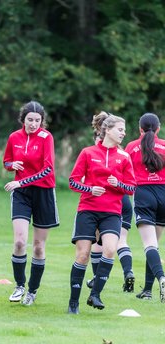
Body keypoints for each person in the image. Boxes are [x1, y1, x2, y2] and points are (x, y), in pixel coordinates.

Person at [68, 112, 136, 314]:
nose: (124, 133)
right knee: (83, 255)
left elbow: (131, 188)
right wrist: (89, 189)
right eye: (120, 130)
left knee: (109, 250)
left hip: (112, 212)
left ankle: (95, 294)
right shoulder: (87, 152)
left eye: (124, 130)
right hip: (88, 210)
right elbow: (73, 181)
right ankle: (73, 303)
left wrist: (119, 184)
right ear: (107, 130)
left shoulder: (124, 157)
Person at [3, 100, 59, 306]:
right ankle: (19, 285)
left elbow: (48, 170)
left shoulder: (47, 138)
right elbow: (6, 161)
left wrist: (20, 181)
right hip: (21, 193)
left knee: (38, 247)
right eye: (30, 120)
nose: (34, 124)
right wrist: (11, 165)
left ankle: (32, 291)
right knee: (19, 241)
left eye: (37, 120)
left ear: (42, 121)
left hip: (43, 192)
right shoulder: (14, 137)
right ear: (23, 119)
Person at [86, 116, 135, 293]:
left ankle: (96, 278)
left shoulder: (102, 145)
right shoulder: (120, 148)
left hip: (108, 200)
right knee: (121, 240)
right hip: (124, 201)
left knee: (98, 242)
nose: (122, 133)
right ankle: (128, 272)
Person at [125, 113, 165, 302]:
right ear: (158, 129)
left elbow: (124, 175)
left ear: (140, 129)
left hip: (143, 194)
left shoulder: (132, 147)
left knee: (149, 245)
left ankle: (162, 278)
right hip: (164, 194)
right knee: (154, 245)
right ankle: (147, 290)